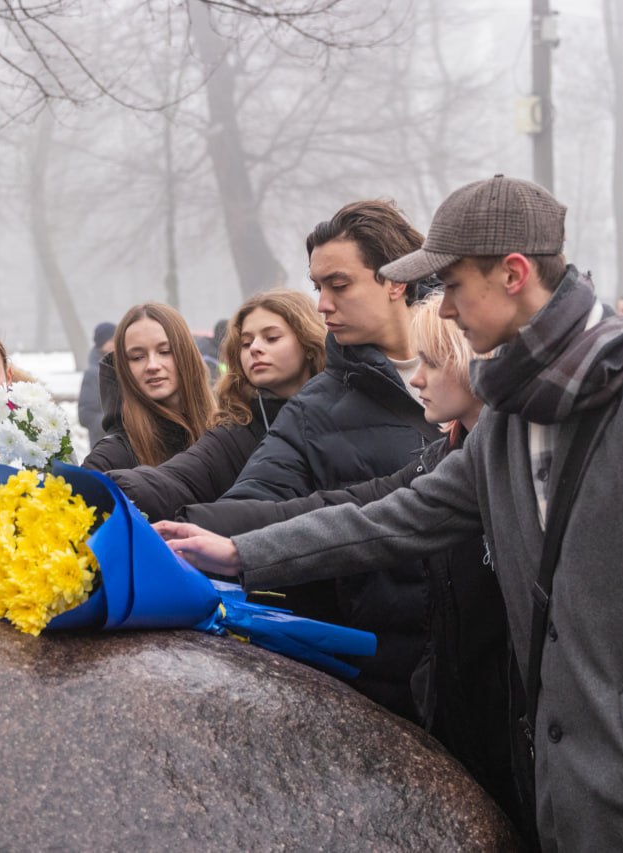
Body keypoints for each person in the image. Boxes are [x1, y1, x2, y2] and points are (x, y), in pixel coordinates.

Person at [159, 175, 623, 851]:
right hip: (584, 803)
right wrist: (240, 553)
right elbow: (397, 516)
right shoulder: (510, 415)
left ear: (514, 273)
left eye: (452, 285)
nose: (441, 309)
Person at [179, 291, 517, 822]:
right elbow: (358, 516)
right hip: (466, 712)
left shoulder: (513, 454)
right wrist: (231, 545)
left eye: (431, 363)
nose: (416, 378)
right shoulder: (445, 459)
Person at [193, 199, 441, 723]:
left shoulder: (480, 365)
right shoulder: (314, 410)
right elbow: (253, 503)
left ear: (396, 281)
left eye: (339, 284)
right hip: (394, 684)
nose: (323, 305)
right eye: (317, 287)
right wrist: (177, 529)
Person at [102, 291, 325, 521]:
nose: (255, 348)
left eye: (271, 338)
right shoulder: (235, 431)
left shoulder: (344, 408)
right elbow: (183, 476)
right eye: (246, 343)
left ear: (308, 342)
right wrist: (103, 486)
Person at [82, 303, 214, 472]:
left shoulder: (225, 432)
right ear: (123, 367)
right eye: (137, 357)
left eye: (165, 351)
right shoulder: (111, 456)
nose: (152, 365)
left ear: (187, 355)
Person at [78, 321, 116, 446]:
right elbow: (85, 415)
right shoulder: (93, 374)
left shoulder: (123, 369)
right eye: (112, 339)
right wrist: (114, 424)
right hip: (105, 445)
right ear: (102, 343)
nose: (116, 343)